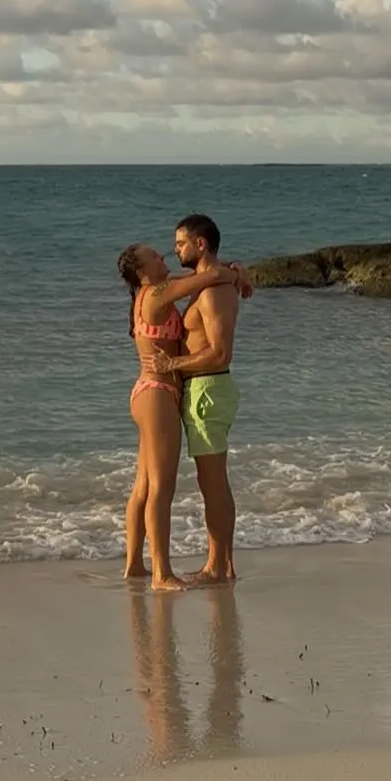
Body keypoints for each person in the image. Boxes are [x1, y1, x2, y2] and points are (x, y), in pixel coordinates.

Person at [117, 245, 248, 592]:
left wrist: (233, 270)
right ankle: (161, 574)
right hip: (158, 393)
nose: (164, 257)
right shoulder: (158, 292)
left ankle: (134, 565)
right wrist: (235, 273)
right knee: (162, 486)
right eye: (156, 256)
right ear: (143, 270)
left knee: (144, 486)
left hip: (148, 393)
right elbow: (209, 276)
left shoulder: (152, 291)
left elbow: (197, 278)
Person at [149, 213, 244, 586]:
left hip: (209, 387)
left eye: (180, 244)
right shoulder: (206, 284)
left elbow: (221, 353)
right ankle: (222, 564)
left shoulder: (212, 293)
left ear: (200, 244)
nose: (175, 252)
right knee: (213, 482)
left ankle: (216, 567)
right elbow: (169, 281)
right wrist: (237, 271)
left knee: (213, 482)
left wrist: (173, 361)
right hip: (206, 389)